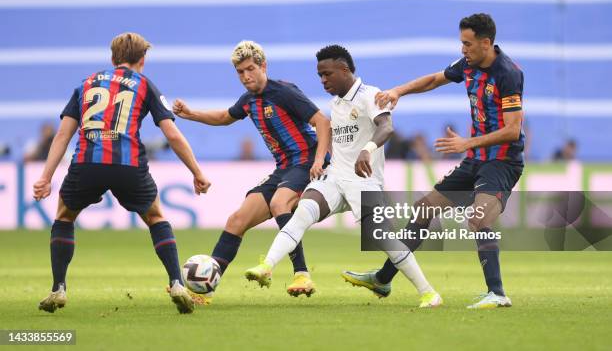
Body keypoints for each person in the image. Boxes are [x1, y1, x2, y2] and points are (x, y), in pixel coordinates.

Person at [344, 13, 525, 309]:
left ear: (486, 43)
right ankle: (383, 278)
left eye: (467, 44)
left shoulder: (508, 74)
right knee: (425, 208)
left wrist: (467, 142)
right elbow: (434, 80)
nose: (462, 49)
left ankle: (498, 293)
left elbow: (512, 130)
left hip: (502, 162)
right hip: (476, 159)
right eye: (461, 43)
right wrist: (397, 91)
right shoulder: (467, 65)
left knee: (478, 218)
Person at [244, 45, 442, 308]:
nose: (323, 80)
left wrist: (366, 151)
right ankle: (266, 266)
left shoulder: (370, 95)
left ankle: (429, 293)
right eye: (320, 76)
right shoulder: (335, 104)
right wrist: (320, 161)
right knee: (303, 212)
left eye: (327, 74)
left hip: (365, 180)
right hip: (336, 177)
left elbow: (387, 128)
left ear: (345, 70)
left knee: (384, 238)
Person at [33, 32, 211, 314]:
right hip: (128, 165)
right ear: (143, 59)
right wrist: (197, 171)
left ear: (112, 58)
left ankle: (58, 289)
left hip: (87, 163)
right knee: (155, 217)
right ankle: (177, 282)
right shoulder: (145, 85)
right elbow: (172, 135)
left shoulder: (86, 84)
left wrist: (45, 177)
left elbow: (63, 135)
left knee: (65, 216)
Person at [173, 40, 330, 297]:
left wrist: (319, 160)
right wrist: (191, 114)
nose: (245, 76)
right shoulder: (248, 100)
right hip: (284, 168)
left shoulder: (285, 92)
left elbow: (322, 122)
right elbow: (225, 117)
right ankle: (205, 290)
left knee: (280, 203)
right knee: (236, 220)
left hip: (305, 160)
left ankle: (301, 274)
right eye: (240, 72)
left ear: (263, 66)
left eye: (250, 69)